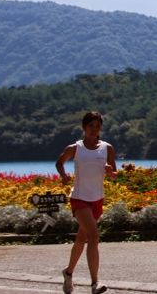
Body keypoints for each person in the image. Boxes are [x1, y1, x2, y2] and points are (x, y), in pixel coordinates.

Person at [56, 111, 117, 294]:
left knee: (82, 239)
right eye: (91, 126)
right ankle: (95, 283)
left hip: (97, 199)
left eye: (98, 126)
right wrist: (64, 176)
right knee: (94, 236)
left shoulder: (107, 148)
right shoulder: (75, 148)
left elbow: (114, 174)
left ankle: (68, 273)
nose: (94, 130)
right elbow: (59, 163)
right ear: (84, 127)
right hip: (79, 198)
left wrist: (110, 172)